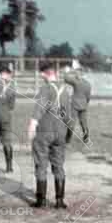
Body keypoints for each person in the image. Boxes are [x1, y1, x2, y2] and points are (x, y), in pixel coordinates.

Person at [28, 61, 71, 209]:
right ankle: (60, 201)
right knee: (59, 165)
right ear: (55, 73)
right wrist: (68, 134)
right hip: (60, 132)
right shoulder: (65, 90)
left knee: (41, 164)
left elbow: (39, 108)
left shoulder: (45, 89)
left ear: (43, 74)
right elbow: (68, 116)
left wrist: (33, 124)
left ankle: (41, 200)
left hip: (45, 131)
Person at [62, 59, 91, 144]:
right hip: (84, 105)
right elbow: (88, 97)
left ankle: (68, 139)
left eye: (77, 73)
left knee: (72, 123)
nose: (76, 75)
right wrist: (85, 103)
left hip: (74, 105)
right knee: (84, 123)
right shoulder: (88, 84)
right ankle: (86, 139)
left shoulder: (76, 82)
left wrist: (67, 71)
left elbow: (66, 79)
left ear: (79, 74)